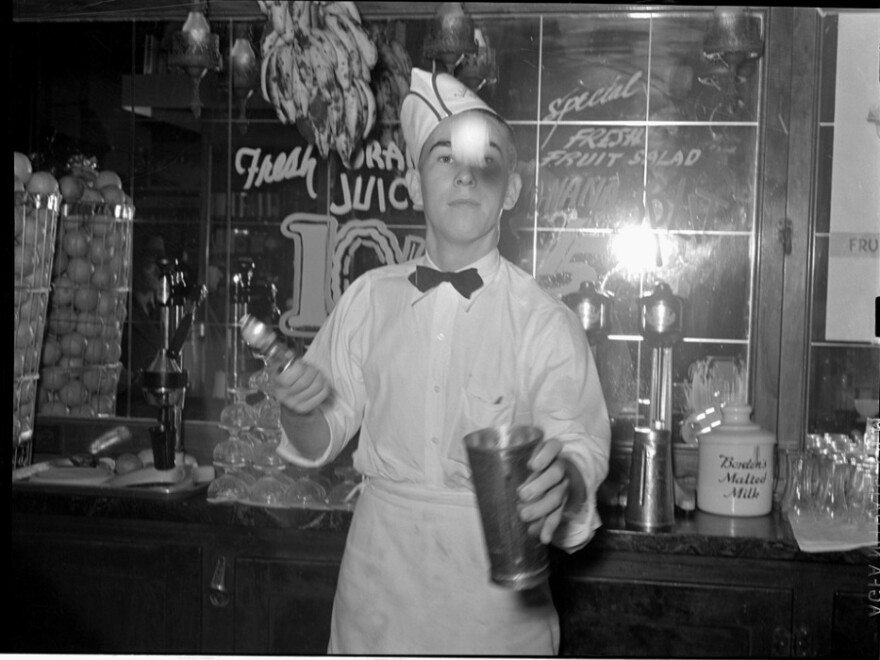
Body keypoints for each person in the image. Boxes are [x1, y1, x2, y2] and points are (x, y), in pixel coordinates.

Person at [270, 68, 611, 656]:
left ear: (511, 190)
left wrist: (565, 482)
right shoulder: (368, 299)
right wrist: (298, 408)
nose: (465, 175)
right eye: (445, 158)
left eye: (486, 162)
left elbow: (578, 451)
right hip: (375, 609)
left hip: (496, 620)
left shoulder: (545, 322)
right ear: (413, 184)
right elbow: (316, 438)